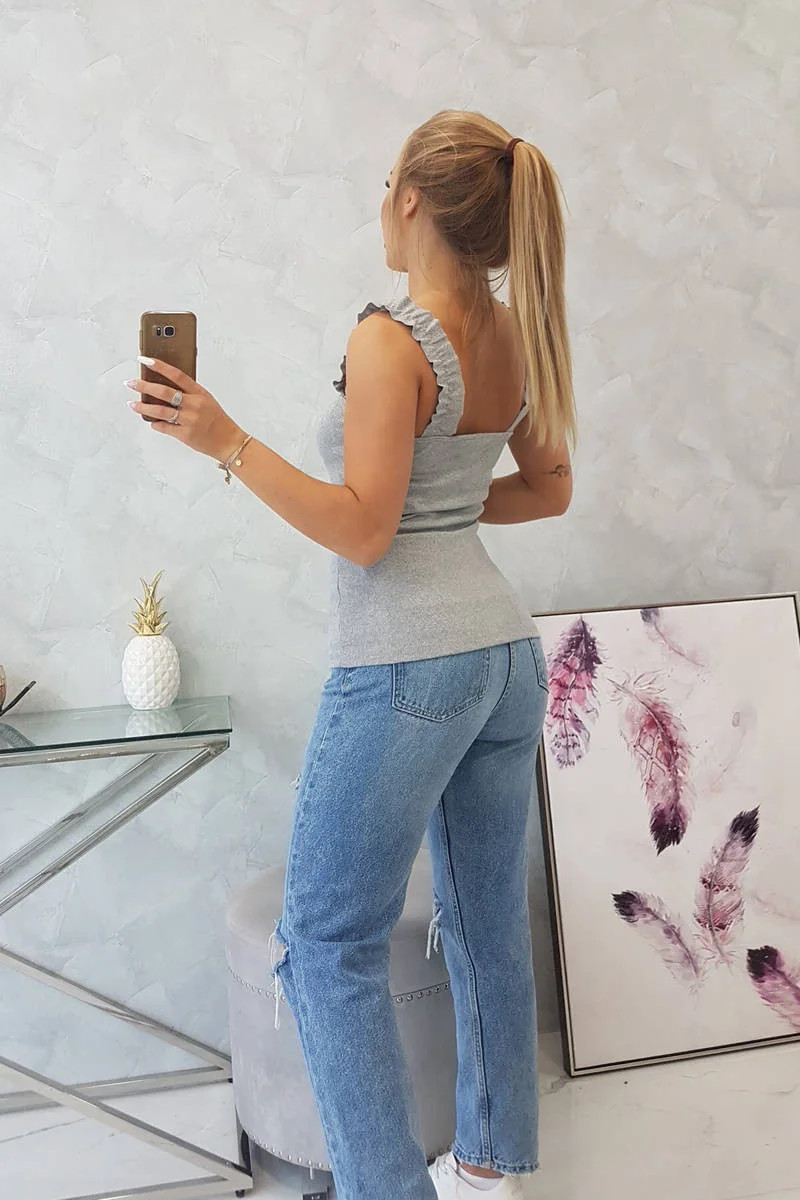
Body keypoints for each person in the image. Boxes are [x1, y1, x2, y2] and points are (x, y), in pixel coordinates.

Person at [125, 107, 575, 1200]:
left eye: (384, 188)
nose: (379, 205)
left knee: (325, 944)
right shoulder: (516, 334)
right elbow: (548, 488)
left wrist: (224, 440)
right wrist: (442, 512)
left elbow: (366, 532)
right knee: (484, 925)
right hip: (501, 659)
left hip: (407, 668)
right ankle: (486, 1171)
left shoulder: (390, 338)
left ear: (411, 198)